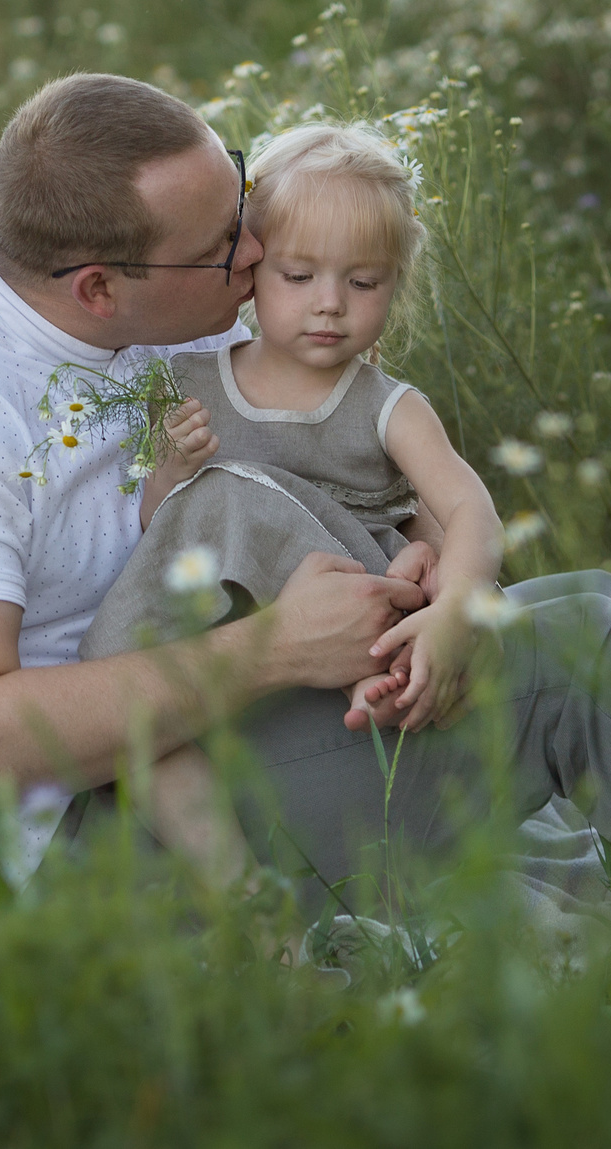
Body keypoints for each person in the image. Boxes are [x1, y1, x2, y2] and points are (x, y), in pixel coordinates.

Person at [0, 72, 611, 914]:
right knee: (591, 643)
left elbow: (338, 460)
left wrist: (419, 556)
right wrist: (274, 650)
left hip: (208, 727)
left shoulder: (171, 293)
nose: (251, 253)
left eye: (240, 199)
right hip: (76, 851)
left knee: (560, 638)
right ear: (98, 289)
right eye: (224, 244)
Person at [99, 121, 495, 887]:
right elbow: (160, 534)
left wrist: (459, 605)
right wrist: (171, 467)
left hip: (360, 643)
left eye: (362, 282)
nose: (329, 306)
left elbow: (471, 508)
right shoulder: (190, 381)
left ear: (394, 285)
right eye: (299, 275)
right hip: (235, 658)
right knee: (143, 730)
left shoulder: (387, 406)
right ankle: (243, 899)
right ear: (251, 268)